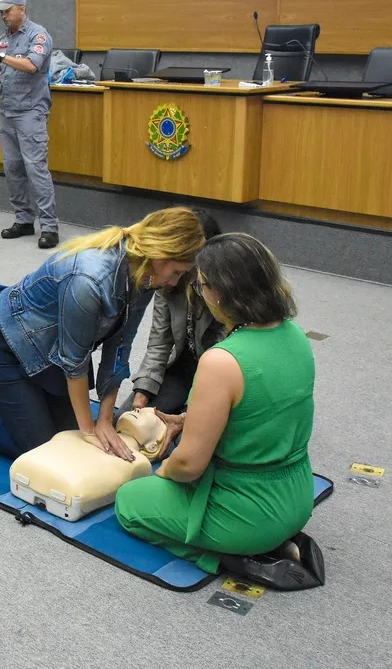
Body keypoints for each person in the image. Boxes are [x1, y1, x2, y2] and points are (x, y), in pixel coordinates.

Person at [0, 207, 207, 458]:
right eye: (178, 272)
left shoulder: (145, 275)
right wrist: (88, 433)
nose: (175, 282)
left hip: (47, 351)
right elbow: (74, 362)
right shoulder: (89, 279)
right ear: (160, 254)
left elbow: (120, 347)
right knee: (46, 449)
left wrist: (105, 419)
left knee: (67, 433)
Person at [115, 233, 315, 573]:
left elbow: (189, 465)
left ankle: (232, 556)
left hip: (246, 514)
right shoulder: (295, 334)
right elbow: (259, 413)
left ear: (220, 293)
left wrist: (164, 471)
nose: (200, 293)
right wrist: (190, 421)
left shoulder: (221, 360)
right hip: (297, 498)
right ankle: (267, 541)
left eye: (202, 285)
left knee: (128, 501)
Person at [0, 0, 59, 249]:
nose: (3, 15)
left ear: (21, 9)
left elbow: (32, 66)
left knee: (36, 169)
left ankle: (49, 227)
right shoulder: (2, 41)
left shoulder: (38, 35)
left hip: (31, 112)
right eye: (0, 11)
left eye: (7, 10)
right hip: (7, 111)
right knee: (13, 169)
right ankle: (23, 220)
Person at [128, 209, 224, 415]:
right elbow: (159, 343)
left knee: (179, 440)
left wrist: (190, 412)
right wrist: (143, 390)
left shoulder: (222, 292)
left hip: (217, 379)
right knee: (126, 419)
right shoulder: (168, 281)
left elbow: (224, 368)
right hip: (181, 368)